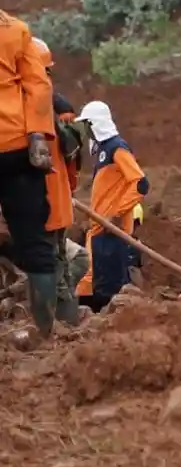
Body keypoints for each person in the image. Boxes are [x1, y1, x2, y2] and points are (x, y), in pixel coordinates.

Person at [0, 11, 56, 339]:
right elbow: (38, 84)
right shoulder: (16, 30)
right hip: (17, 147)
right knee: (35, 243)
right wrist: (37, 135)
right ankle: (45, 334)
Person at [74, 101, 148, 313]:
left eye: (87, 125)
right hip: (100, 230)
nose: (86, 132)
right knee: (96, 286)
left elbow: (140, 183)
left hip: (112, 231)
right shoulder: (103, 152)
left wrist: (117, 214)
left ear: (95, 124)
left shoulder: (117, 148)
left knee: (111, 289)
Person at [37, 37, 86, 326]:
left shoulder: (36, 119)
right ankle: (68, 327)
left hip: (43, 209)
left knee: (54, 270)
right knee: (61, 268)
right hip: (58, 205)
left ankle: (60, 330)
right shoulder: (56, 115)